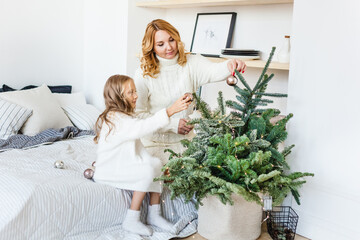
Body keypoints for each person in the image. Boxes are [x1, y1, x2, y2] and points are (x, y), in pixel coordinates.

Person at [134, 19, 247, 164]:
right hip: (154, 144)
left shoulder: (191, 62)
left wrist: (231, 64)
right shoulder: (143, 74)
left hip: (187, 144)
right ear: (152, 47)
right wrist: (173, 125)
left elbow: (214, 71)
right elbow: (138, 116)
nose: (169, 47)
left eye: (171, 40)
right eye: (161, 44)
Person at [93, 74, 192, 236]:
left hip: (120, 164)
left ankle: (154, 213)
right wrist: (170, 111)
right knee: (146, 170)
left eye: (135, 91)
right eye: (130, 92)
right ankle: (131, 218)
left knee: (156, 163)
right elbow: (144, 127)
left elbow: (139, 143)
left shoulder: (125, 116)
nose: (136, 96)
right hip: (108, 171)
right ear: (118, 97)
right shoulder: (116, 119)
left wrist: (155, 167)